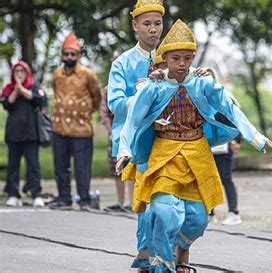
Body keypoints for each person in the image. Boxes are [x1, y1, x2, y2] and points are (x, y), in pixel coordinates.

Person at [116, 19, 272, 273]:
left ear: (193, 58)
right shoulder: (154, 86)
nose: (181, 64)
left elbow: (229, 106)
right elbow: (133, 119)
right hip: (163, 156)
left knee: (197, 221)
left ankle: (176, 249)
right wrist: (124, 150)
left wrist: (255, 137)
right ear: (165, 58)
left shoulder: (202, 82)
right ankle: (161, 262)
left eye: (187, 58)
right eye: (175, 58)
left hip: (197, 157)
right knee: (164, 212)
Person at [108, 0, 166, 270]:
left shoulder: (172, 58)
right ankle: (147, 255)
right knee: (146, 202)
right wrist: (141, 96)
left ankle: (167, 255)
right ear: (135, 26)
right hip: (137, 141)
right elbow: (115, 103)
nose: (153, 29)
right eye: (147, 24)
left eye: (157, 23)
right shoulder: (123, 62)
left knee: (169, 201)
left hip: (169, 138)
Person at [48, 32, 102, 210]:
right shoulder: (57, 74)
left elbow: (97, 97)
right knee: (60, 165)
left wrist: (84, 112)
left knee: (82, 167)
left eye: (73, 54)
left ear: (78, 56)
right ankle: (64, 198)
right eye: (66, 54)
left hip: (81, 129)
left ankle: (84, 200)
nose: (69, 57)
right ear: (62, 55)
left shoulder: (88, 75)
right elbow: (56, 94)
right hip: (59, 128)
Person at [1, 61, 46, 207]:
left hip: (30, 134)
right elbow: (7, 104)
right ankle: (13, 194)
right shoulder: (8, 88)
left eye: (22, 71)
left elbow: (38, 101)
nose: (19, 74)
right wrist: (16, 89)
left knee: (33, 166)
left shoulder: (34, 87)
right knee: (13, 166)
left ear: (27, 73)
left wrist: (22, 89)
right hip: (14, 134)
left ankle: (36, 194)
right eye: (17, 71)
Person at [207, 67, 243, 226]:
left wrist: (237, 140)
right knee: (207, 179)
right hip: (205, 146)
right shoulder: (198, 97)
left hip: (223, 145)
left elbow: (237, 119)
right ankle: (209, 213)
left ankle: (233, 212)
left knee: (225, 178)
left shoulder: (224, 96)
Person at [101, 51, 134, 212]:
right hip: (115, 133)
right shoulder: (108, 89)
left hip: (133, 131)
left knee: (132, 167)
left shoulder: (134, 84)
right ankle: (120, 202)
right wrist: (112, 132)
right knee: (117, 169)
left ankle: (132, 202)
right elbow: (104, 113)